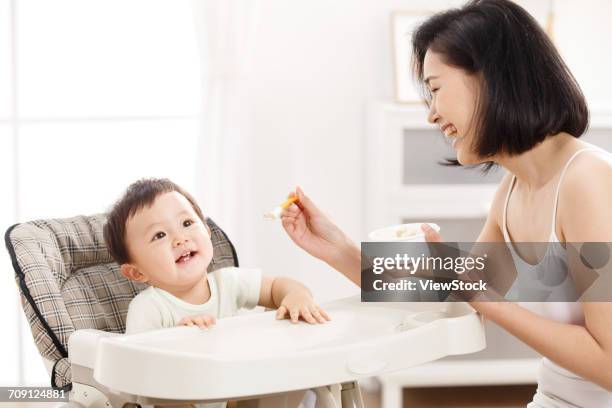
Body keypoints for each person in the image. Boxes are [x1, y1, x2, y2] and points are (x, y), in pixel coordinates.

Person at [280, 0, 612, 406]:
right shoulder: (513, 192)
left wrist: (480, 294)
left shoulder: (589, 182)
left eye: (435, 89)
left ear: (491, 78)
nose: (431, 115)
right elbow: (453, 298)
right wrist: (338, 249)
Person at [103, 178, 329, 408]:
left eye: (187, 222)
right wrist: (176, 342)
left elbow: (278, 287)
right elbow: (136, 370)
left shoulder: (229, 282)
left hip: (241, 393)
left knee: (289, 371)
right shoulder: (148, 308)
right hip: (184, 399)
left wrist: (296, 297)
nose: (180, 238)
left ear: (208, 231)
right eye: (159, 235)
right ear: (136, 272)